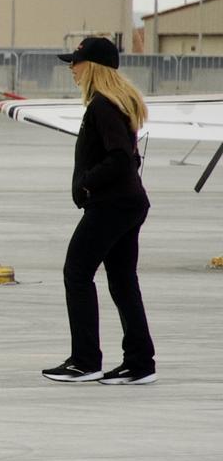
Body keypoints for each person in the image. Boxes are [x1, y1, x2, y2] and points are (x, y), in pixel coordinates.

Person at [42, 36, 157, 385]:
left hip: (112, 206)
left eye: (75, 64)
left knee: (76, 272)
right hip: (128, 203)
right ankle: (140, 363)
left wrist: (87, 183)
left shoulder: (102, 107)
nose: (71, 70)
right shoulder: (115, 104)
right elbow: (130, 156)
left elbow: (121, 156)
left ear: (91, 66)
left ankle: (85, 360)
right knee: (123, 281)